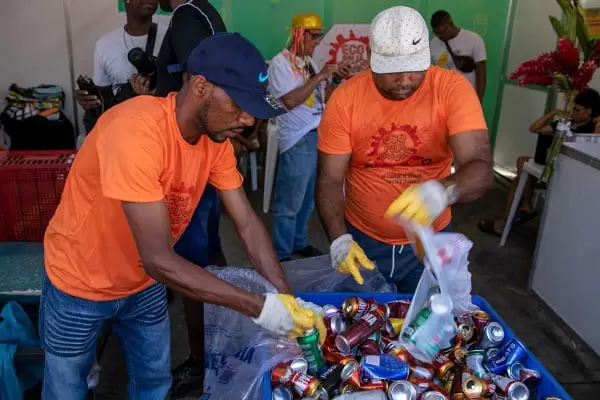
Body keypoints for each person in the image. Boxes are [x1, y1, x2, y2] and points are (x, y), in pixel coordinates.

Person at [40, 33, 325, 399]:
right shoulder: (136, 131)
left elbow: (247, 224)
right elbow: (158, 258)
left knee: (154, 383)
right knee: (66, 389)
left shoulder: (215, 141)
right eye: (239, 104)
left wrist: (286, 299)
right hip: (79, 283)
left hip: (141, 285)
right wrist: (259, 307)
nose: (248, 119)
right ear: (202, 86)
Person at [316, 6, 492, 292]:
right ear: (371, 58)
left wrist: (443, 191)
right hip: (363, 240)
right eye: (392, 70)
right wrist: (339, 240)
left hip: (430, 241)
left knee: (426, 329)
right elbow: (330, 179)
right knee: (364, 323)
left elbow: (480, 167)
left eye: (413, 67)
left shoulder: (452, 90)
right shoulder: (346, 99)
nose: (404, 79)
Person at [154, 0, 228, 395]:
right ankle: (217, 343)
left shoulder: (185, 14)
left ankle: (202, 362)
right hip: (200, 155)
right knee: (208, 253)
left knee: (190, 262)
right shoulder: (204, 12)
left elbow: (200, 78)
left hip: (186, 156)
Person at [268, 13, 350, 261]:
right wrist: (320, 76)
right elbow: (289, 101)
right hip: (298, 138)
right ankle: (281, 253)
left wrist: (335, 79)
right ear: (298, 34)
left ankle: (299, 243)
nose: (317, 42)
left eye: (319, 36)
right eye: (314, 36)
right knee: (290, 202)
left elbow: (323, 101)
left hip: (318, 135)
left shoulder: (310, 63)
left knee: (307, 202)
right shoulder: (280, 63)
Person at [479, 89, 600, 236]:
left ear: (589, 111)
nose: (572, 112)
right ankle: (512, 216)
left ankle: (509, 219)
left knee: (521, 172)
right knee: (520, 173)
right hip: (553, 170)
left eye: (577, 109)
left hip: (571, 178)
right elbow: (534, 128)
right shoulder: (567, 123)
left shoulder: (592, 129)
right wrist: (553, 113)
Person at [76, 0, 167, 132]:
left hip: (162, 131)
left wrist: (154, 95)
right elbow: (104, 103)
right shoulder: (105, 45)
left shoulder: (170, 37)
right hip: (122, 134)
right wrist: (89, 101)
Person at [429, 10, 487, 103]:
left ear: (450, 23)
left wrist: (478, 100)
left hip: (465, 98)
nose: (440, 36)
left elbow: (481, 73)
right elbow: (431, 73)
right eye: (436, 33)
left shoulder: (474, 40)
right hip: (441, 99)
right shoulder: (433, 44)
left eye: (442, 32)